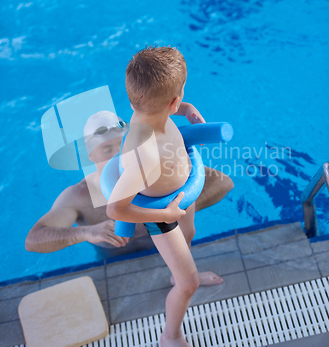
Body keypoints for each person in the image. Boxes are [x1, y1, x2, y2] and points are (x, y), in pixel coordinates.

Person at [106, 45, 232, 347]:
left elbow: (162, 105)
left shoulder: (152, 107)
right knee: (189, 283)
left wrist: (186, 108)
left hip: (178, 195)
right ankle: (171, 336)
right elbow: (116, 209)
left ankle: (178, 275)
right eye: (181, 98)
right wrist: (165, 214)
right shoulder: (144, 153)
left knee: (189, 232)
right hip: (162, 212)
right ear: (172, 100)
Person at [25, 110, 234, 257]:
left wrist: (172, 209)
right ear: (90, 155)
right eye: (107, 150)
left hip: (168, 254)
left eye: (123, 146)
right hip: (115, 260)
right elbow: (34, 239)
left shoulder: (152, 171)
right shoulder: (79, 197)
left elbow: (224, 183)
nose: (119, 156)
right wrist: (87, 232)